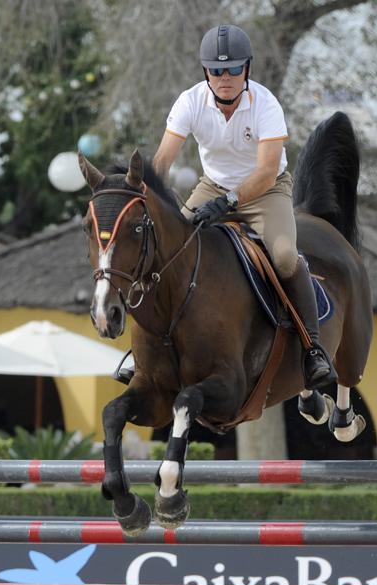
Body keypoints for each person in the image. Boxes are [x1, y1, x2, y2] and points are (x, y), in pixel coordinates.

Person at [152, 23, 334, 389]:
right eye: (217, 70)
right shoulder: (189, 102)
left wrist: (229, 202)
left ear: (246, 69)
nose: (225, 77)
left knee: (283, 256)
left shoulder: (265, 103)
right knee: (169, 251)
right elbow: (161, 162)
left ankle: (312, 348)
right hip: (213, 186)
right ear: (206, 72)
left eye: (234, 69)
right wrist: (153, 197)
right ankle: (149, 348)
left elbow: (267, 169)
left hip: (266, 191)